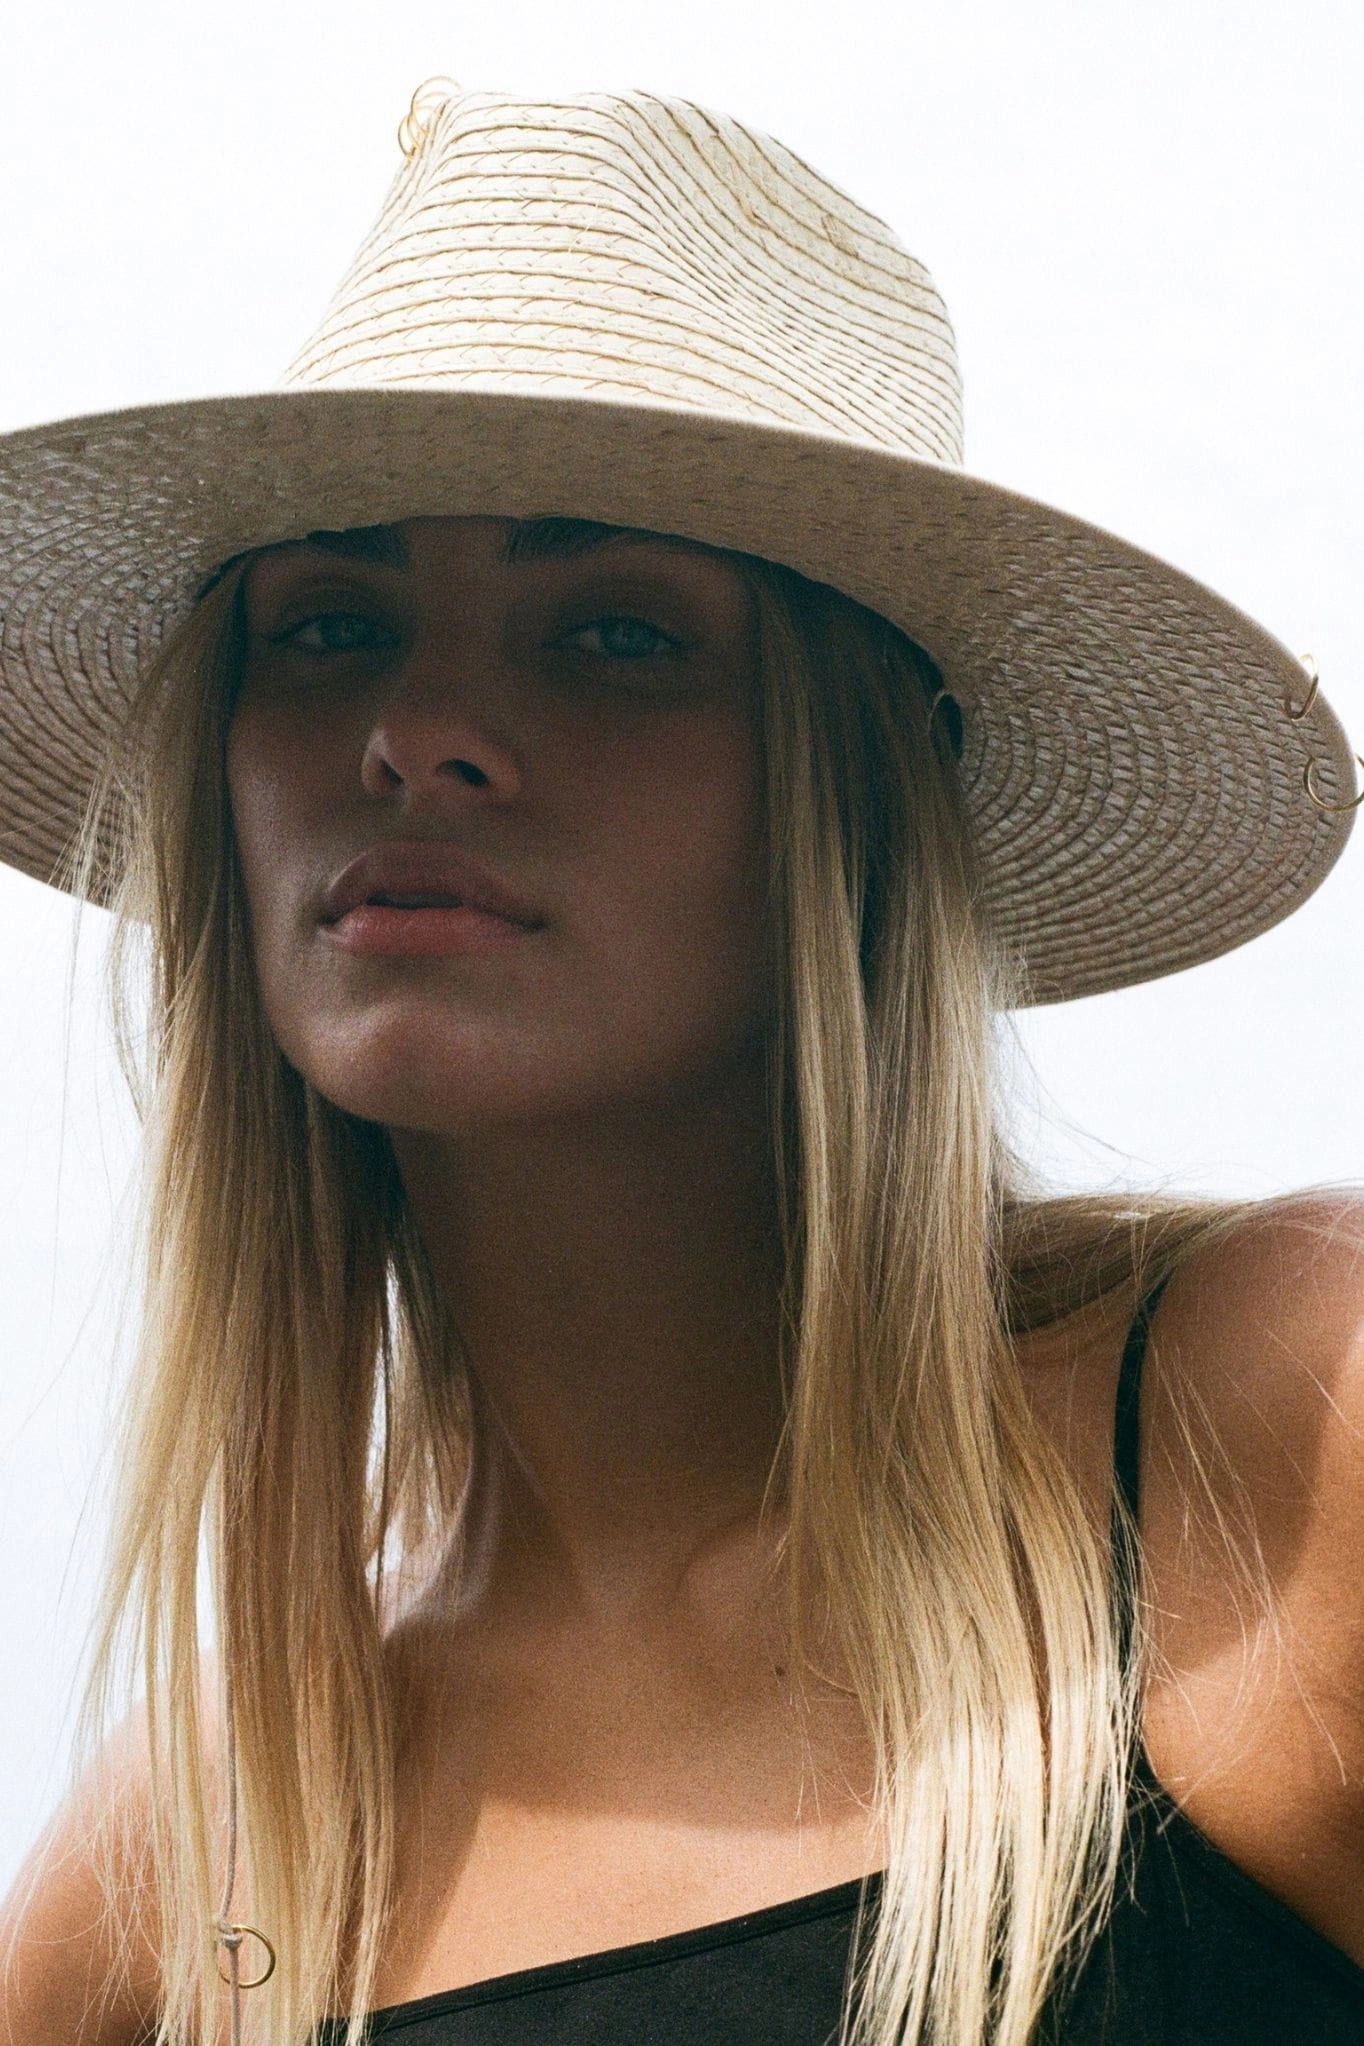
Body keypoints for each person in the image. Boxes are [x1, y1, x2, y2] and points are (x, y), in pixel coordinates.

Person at [0, 78, 1361, 2046]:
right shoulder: (188, 1875)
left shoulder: (1283, 1443)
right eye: (326, 625)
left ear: (862, 802)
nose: (418, 726)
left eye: (617, 633)